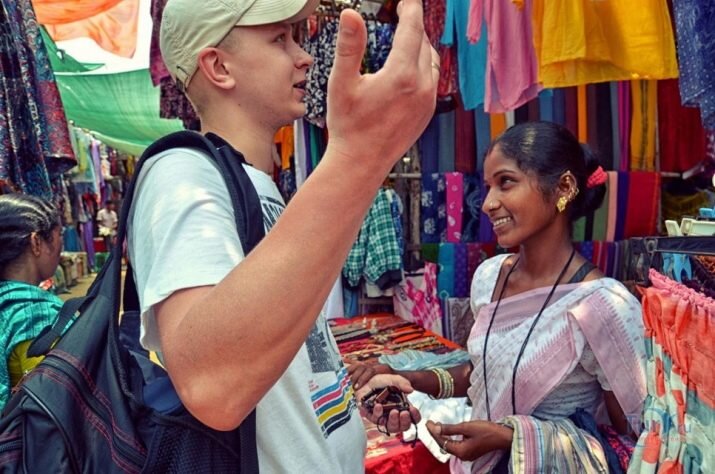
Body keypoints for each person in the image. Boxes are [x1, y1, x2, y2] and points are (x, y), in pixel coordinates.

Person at [126, 0, 438, 471]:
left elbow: (274, 355)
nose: (304, 55)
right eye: (279, 39)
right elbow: (214, 385)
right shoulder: (181, 173)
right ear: (218, 66)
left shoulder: (262, 185)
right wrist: (361, 154)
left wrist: (338, 396)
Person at [350, 121, 647, 473]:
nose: (488, 203)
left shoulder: (603, 306)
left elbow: (635, 443)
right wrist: (407, 379)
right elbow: (482, 373)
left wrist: (512, 437)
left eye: (506, 182)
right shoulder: (490, 277)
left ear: (564, 187)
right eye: (488, 186)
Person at [0, 194, 64, 412]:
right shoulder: (37, 315)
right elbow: (50, 403)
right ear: (36, 242)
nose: (61, 247)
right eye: (59, 235)